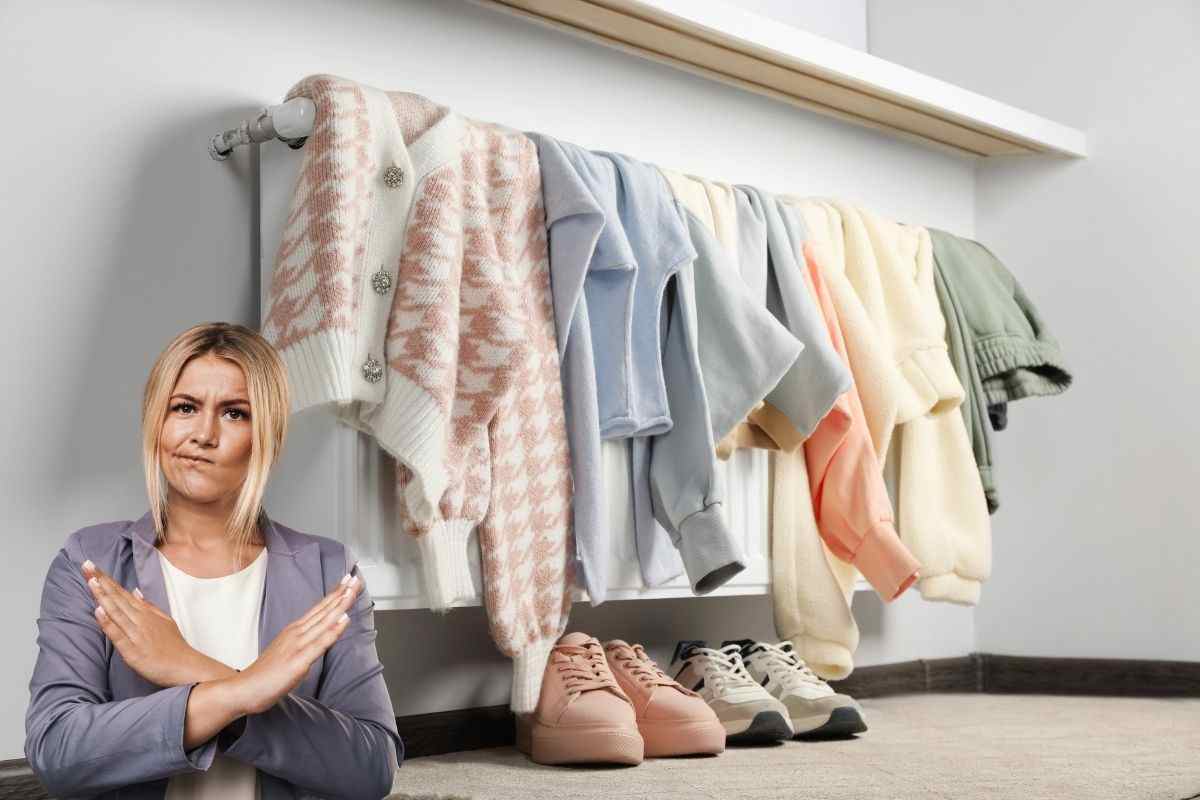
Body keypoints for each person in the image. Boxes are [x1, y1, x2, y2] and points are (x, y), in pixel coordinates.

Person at [24, 322, 402, 799]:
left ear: (267, 435)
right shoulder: (90, 562)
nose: (203, 434)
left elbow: (372, 768)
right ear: (157, 421)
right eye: (185, 407)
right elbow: (57, 751)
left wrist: (187, 665)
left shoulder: (329, 571)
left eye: (234, 413)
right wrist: (241, 691)